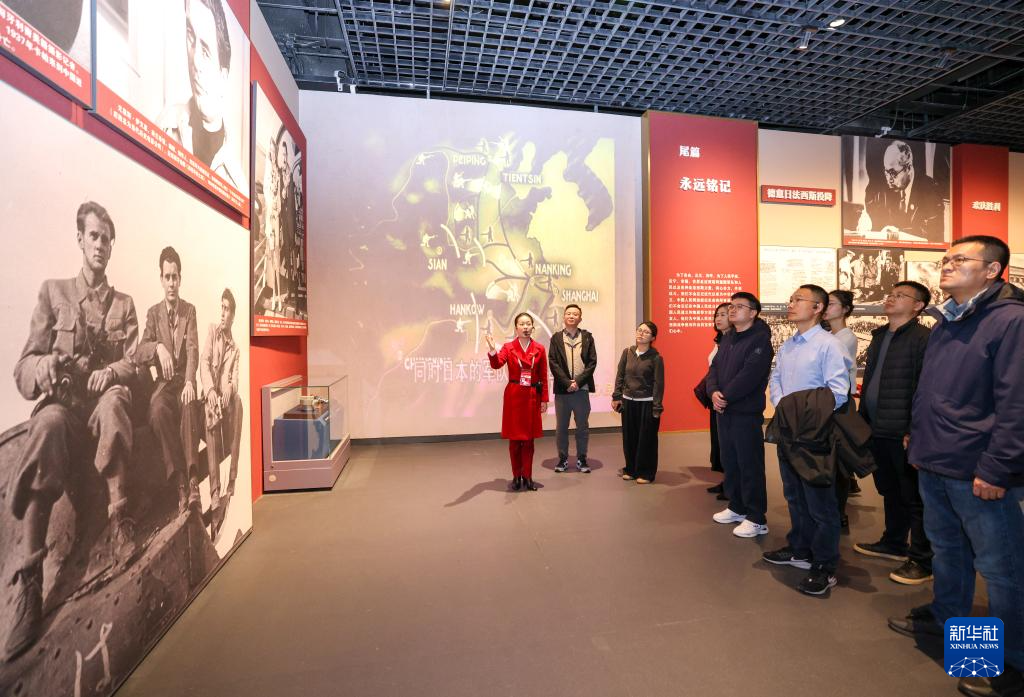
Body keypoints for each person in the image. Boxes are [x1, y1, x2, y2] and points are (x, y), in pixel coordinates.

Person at [888, 236, 1024, 697]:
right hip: (935, 459)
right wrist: (917, 433)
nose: (947, 265)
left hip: (978, 469)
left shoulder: (1011, 321)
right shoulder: (949, 318)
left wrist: (997, 468)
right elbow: (932, 388)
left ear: (992, 270)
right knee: (949, 553)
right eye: (945, 259)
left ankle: (1013, 665)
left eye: (959, 259)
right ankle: (956, 632)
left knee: (1002, 569)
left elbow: (1016, 403)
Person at [5, 202, 139, 661]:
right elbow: (23, 369)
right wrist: (44, 365)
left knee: (116, 402)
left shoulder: (124, 306)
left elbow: (133, 362)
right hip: (64, 411)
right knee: (46, 425)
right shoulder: (54, 293)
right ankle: (30, 580)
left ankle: (121, 521)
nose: (100, 245)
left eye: (107, 238)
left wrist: (112, 372)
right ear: (80, 239)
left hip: (100, 410)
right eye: (94, 236)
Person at [762, 285, 851, 596]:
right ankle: (800, 548)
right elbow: (776, 378)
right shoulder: (789, 345)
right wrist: (784, 406)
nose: (791, 304)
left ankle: (824, 566)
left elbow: (838, 393)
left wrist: (801, 414)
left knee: (821, 505)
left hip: (815, 434)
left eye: (799, 300)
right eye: (791, 299)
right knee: (795, 496)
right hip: (788, 429)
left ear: (818, 308)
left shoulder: (829, 345)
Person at [853, 281, 934, 585]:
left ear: (918, 306)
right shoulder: (879, 336)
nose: (891, 298)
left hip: (902, 431)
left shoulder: (923, 338)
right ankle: (894, 543)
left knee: (913, 497)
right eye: (891, 293)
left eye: (900, 295)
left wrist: (914, 429)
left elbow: (925, 388)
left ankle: (922, 559)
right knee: (889, 489)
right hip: (877, 427)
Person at [134, 247, 201, 515]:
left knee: (189, 405)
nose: (171, 283)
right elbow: (140, 351)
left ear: (180, 279)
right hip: (163, 385)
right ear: (161, 279)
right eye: (167, 277)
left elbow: (193, 350)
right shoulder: (153, 314)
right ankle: (180, 484)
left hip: (182, 383)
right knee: (158, 410)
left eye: (175, 277)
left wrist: (190, 382)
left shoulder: (189, 311)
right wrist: (158, 347)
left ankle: (193, 482)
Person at [157, 0, 244, 189]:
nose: (195, 62)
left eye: (205, 51)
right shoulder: (166, 125)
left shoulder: (237, 182)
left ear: (223, 76)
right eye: (190, 36)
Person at [707, 293, 774, 537]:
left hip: (745, 412)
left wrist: (724, 396)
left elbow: (749, 376)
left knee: (749, 464)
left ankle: (756, 517)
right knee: (730, 461)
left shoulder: (760, 340)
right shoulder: (729, 338)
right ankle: (737, 506)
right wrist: (713, 391)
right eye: (731, 306)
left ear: (753, 312)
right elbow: (714, 369)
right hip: (724, 410)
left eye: (739, 306)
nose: (732, 310)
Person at [486, 312, 549, 491]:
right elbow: (496, 364)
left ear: (532, 327)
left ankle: (528, 476)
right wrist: (492, 349)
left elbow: (543, 376)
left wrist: (544, 399)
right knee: (514, 441)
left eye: (528, 324)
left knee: (529, 441)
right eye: (522, 324)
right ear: (516, 328)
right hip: (514, 397)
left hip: (532, 397)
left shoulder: (540, 348)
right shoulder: (508, 347)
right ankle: (516, 476)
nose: (525, 327)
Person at [200, 288, 243, 530]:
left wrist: (229, 388)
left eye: (227, 309)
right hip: (210, 402)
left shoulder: (235, 349)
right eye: (222, 308)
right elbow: (204, 363)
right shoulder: (212, 332)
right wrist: (210, 390)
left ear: (233, 315)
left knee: (239, 403)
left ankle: (232, 479)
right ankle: (215, 492)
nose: (223, 313)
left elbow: (235, 378)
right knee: (210, 410)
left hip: (225, 407)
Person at [823, 289, 860, 528]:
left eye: (832, 304)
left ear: (845, 309)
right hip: (827, 401)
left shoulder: (846, 338)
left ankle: (839, 512)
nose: (826, 307)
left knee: (838, 461)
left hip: (838, 402)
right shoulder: (829, 335)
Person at [612, 321, 664, 484]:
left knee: (646, 439)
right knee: (629, 438)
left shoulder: (656, 357)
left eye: (646, 332)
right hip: (628, 401)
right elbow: (620, 375)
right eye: (639, 330)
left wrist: (657, 406)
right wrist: (616, 396)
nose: (641, 333)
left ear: (653, 337)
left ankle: (646, 472)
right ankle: (631, 469)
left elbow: (659, 384)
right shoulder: (627, 352)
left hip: (647, 403)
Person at [863, 140, 945, 243]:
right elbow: (875, 223)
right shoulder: (882, 189)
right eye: (886, 172)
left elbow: (933, 234)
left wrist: (896, 233)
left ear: (909, 168)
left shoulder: (931, 190)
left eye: (893, 173)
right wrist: (866, 221)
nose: (889, 179)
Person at [548, 304, 597, 474]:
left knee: (582, 427)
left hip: (581, 390)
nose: (571, 316)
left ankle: (582, 459)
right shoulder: (556, 338)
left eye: (575, 314)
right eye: (568, 313)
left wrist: (578, 382)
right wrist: (567, 383)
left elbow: (592, 363)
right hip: (563, 391)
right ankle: (562, 459)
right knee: (561, 428)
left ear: (580, 318)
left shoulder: (588, 337)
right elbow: (553, 362)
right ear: (564, 317)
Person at [704, 303, 732, 497]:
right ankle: (726, 481)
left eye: (723, 314)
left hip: (727, 399)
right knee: (720, 443)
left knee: (729, 444)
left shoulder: (734, 341)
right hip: (716, 397)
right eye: (717, 315)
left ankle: (731, 485)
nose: (718, 318)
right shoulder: (720, 340)